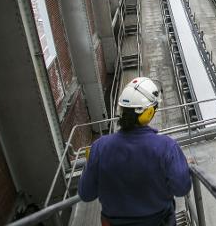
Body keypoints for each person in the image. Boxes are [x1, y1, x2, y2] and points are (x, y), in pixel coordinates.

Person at [79, 77, 191, 226]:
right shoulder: (166, 147)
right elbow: (182, 188)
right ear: (149, 113)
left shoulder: (99, 147)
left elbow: (86, 194)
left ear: (122, 111)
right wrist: (181, 167)